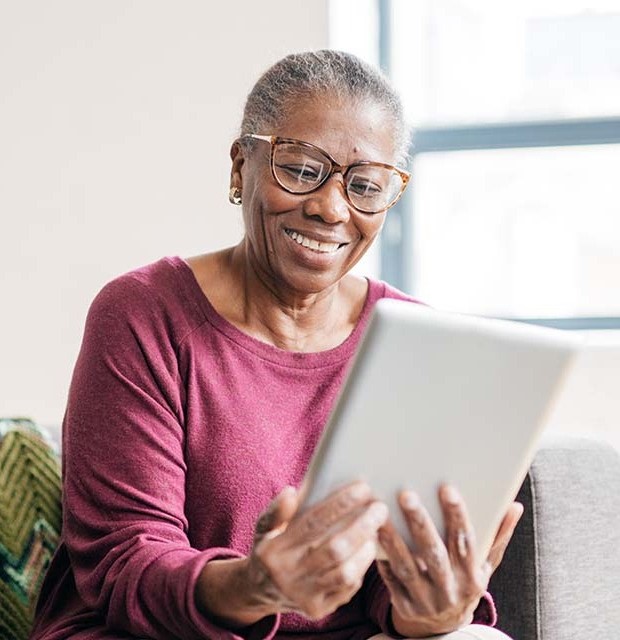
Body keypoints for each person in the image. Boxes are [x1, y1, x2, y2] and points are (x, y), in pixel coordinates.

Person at [29, 50, 522, 640]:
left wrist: (432, 610)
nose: (331, 208)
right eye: (301, 168)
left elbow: (390, 586)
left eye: (365, 185)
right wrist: (257, 585)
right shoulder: (143, 314)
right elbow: (126, 566)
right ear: (242, 167)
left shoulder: (412, 338)